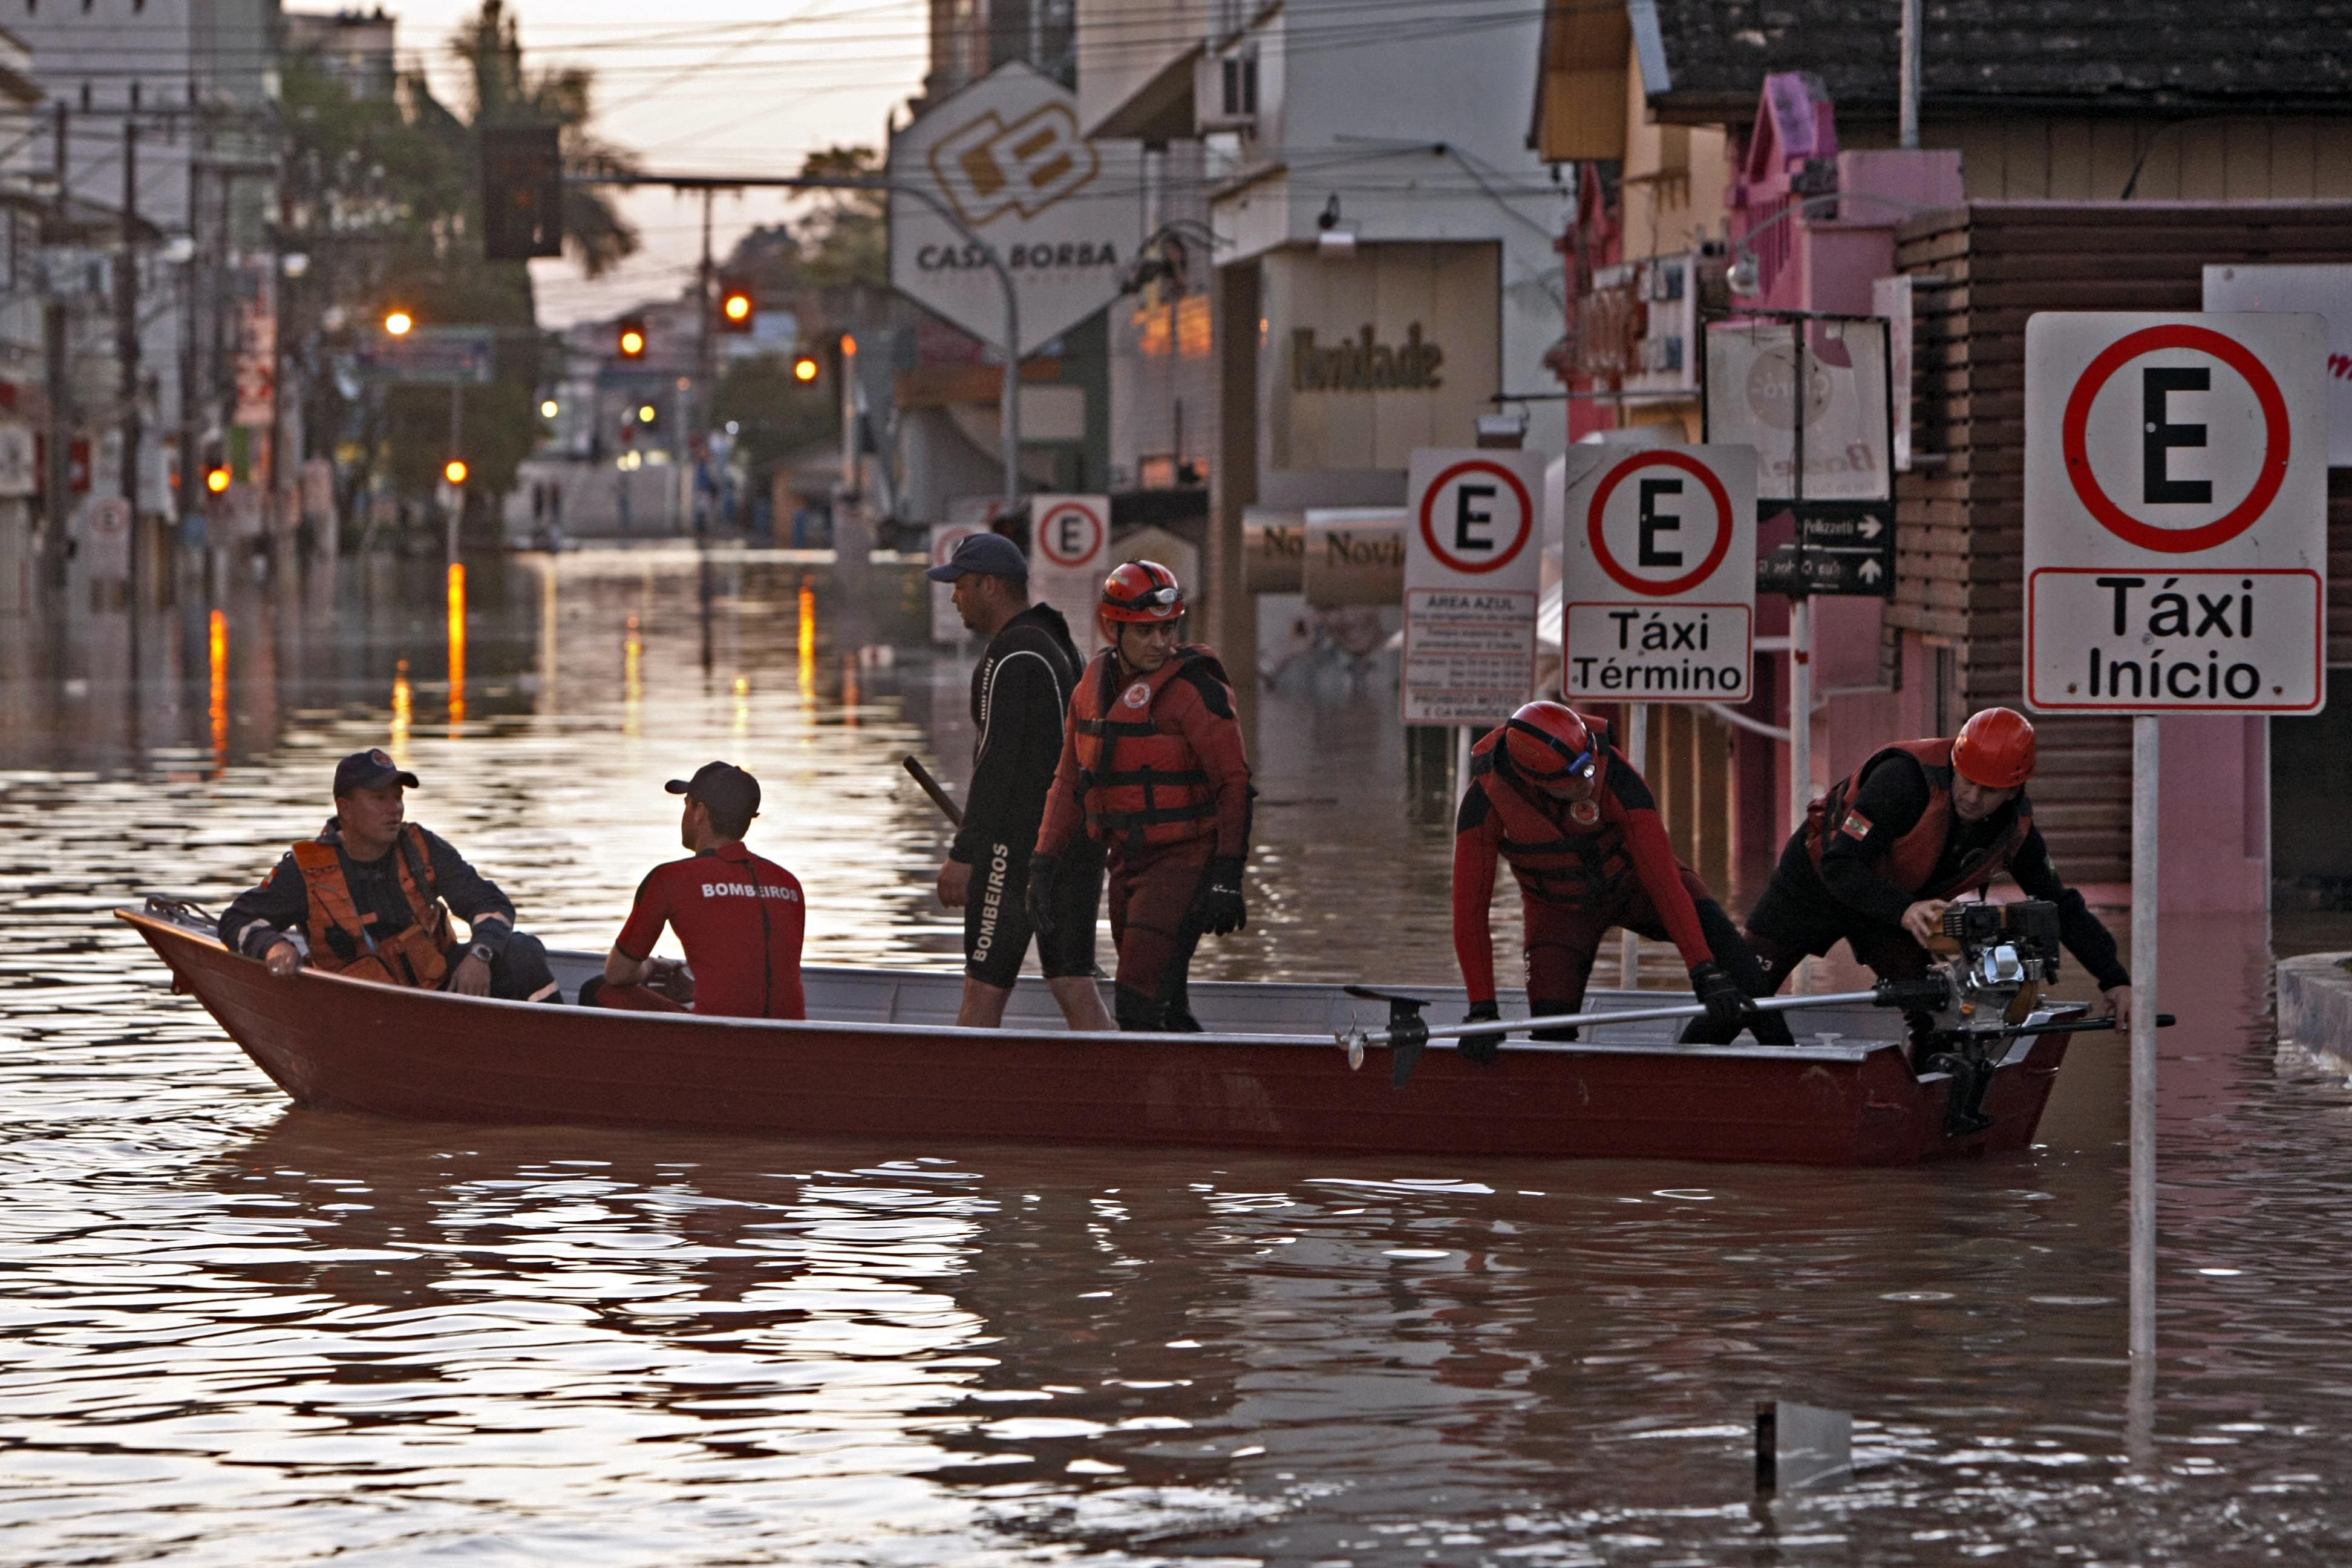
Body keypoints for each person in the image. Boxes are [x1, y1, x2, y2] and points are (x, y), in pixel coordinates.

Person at [1696, 705, 2132, 1048]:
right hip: (1814, 888)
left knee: (1933, 1007)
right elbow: (1839, 864)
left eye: (1990, 791)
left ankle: (1931, 1095)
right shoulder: (1902, 781)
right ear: (1956, 763)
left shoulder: (2014, 832)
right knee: (1739, 997)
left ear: (2015, 790)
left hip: (1888, 914)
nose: (1973, 798)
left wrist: (2114, 979)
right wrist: (1905, 911)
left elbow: (2060, 904)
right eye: (1968, 782)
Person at [1452, 701, 1789, 1053]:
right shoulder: (1485, 802)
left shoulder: (1614, 772)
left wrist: (1702, 969)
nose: (1590, 779)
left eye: (1589, 764)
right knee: (1551, 1035)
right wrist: (1482, 1009)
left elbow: (1662, 879)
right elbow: (1470, 912)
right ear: (1535, 781)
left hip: (1639, 889)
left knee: (1746, 977)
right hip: (1559, 915)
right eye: (1577, 776)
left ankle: (1787, 1066)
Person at [1030, 560, 1253, 1033]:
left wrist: (1228, 877)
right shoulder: (1090, 689)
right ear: (1113, 627)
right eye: (1146, 631)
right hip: (1125, 863)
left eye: (1168, 629)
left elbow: (1234, 784)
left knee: (1136, 1001)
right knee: (1161, 1002)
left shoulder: (1195, 690)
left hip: (1184, 860)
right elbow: (1069, 783)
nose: (1160, 643)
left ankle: (1140, 1103)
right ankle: (1193, 1094)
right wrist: (1043, 864)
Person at [926, 532, 1113, 1030]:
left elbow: (998, 766)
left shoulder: (1009, 657)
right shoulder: (1058, 644)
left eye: (960, 585)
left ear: (989, 586)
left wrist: (966, 853)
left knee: (982, 994)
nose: (953, 597)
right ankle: (1122, 1093)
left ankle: (964, 1105)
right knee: (1074, 983)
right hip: (1074, 845)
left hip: (1017, 851)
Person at [219, 748, 558, 1001]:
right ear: (345, 809)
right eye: (379, 798)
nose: (394, 808)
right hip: (359, 1010)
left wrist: (480, 955)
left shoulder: (422, 846)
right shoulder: (306, 869)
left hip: (438, 991)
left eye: (397, 798)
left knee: (522, 952)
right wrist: (272, 946)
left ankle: (560, 1049)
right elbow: (237, 919)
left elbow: (490, 902)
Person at [581, 761, 807, 1019]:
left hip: (717, 1041)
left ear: (700, 811)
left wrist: (653, 967)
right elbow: (753, 975)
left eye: (687, 803)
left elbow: (618, 974)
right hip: (791, 1041)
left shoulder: (670, 879)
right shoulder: (788, 883)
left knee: (598, 989)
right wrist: (697, 987)